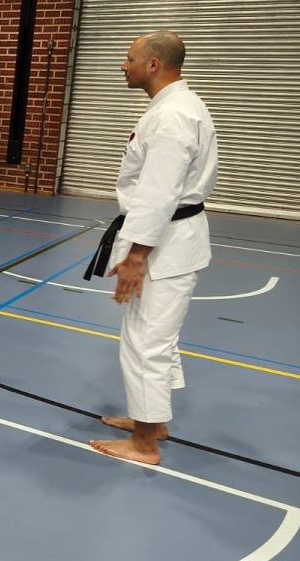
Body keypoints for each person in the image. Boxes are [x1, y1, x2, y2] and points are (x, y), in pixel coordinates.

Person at [87, 30, 217, 465]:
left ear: (153, 65)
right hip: (171, 238)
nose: (123, 66)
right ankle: (152, 421)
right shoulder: (178, 106)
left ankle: (145, 444)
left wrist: (137, 256)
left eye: (129, 59)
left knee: (147, 342)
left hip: (163, 244)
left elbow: (159, 193)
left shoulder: (172, 116)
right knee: (156, 337)